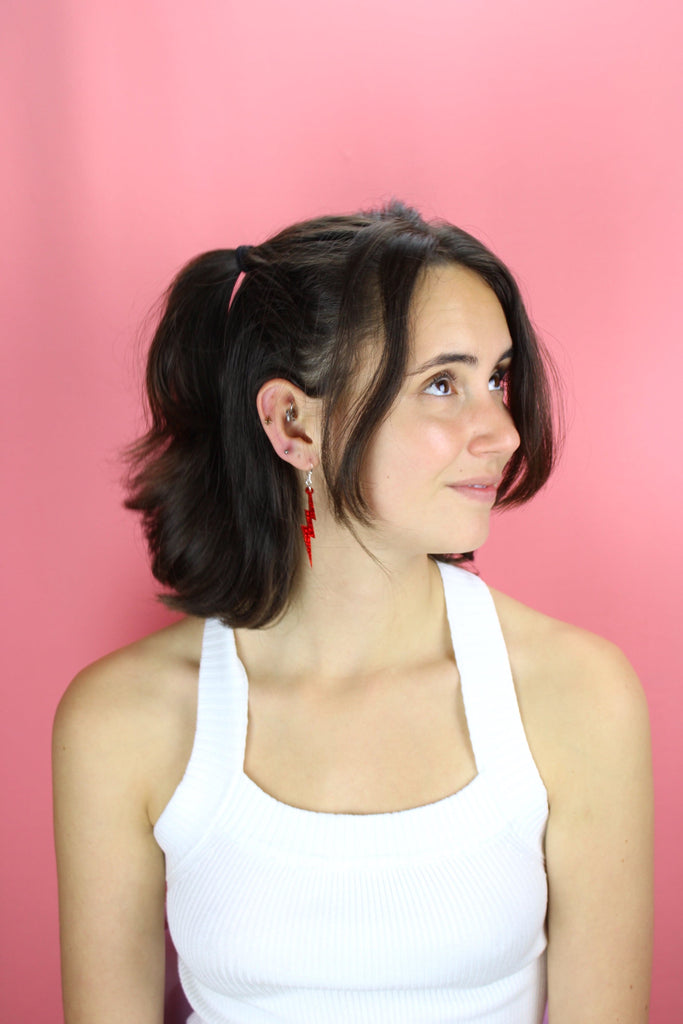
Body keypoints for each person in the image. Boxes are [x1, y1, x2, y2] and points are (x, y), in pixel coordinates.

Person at [53, 202, 653, 1024]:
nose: (503, 432)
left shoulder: (576, 696)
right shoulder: (124, 720)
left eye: (496, 379)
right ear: (293, 423)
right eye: (442, 384)